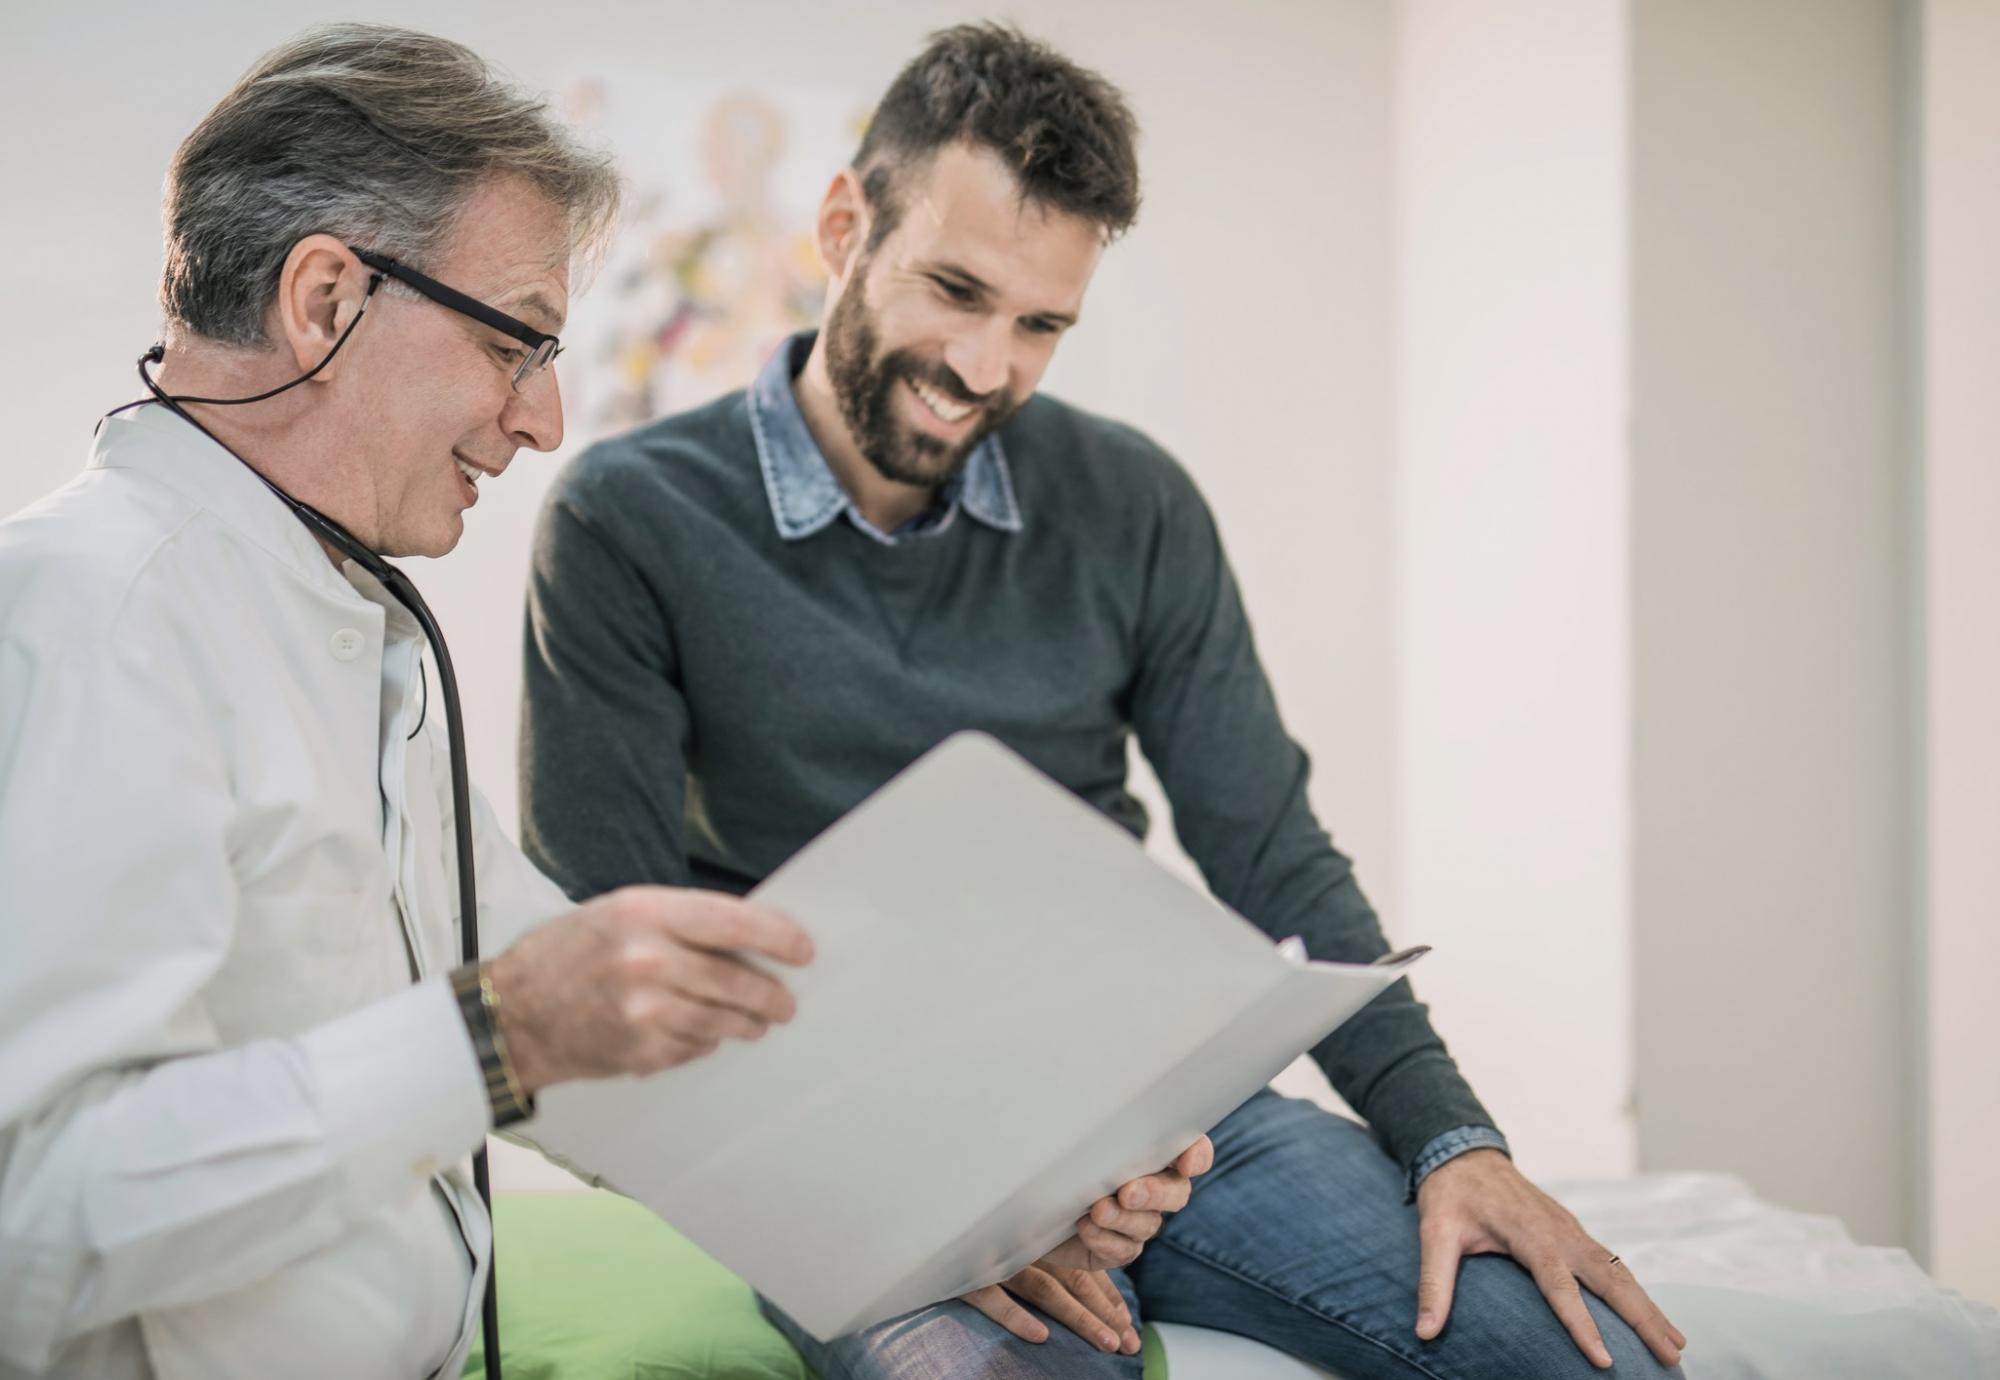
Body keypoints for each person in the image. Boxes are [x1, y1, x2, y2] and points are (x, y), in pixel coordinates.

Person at [520, 23, 1689, 1380]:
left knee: (1589, 1354)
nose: (983, 367)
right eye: (953, 290)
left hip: (1150, 1115)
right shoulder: (627, 519)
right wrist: (937, 1214)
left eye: (1040, 326)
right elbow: (609, 973)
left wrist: (1453, 1140)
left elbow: (1273, 855)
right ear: (844, 225)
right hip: (854, 1150)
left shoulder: (1134, 503)